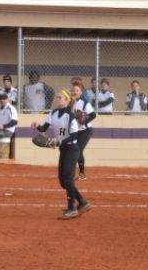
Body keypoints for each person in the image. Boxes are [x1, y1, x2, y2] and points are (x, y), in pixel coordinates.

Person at [31, 89, 91, 219]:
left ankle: (72, 208)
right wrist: (37, 126)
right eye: (57, 97)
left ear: (67, 100)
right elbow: (44, 128)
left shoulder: (71, 115)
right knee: (63, 182)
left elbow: (74, 136)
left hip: (72, 149)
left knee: (68, 179)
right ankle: (83, 202)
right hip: (63, 149)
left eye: (60, 97)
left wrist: (58, 141)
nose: (57, 99)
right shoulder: (53, 113)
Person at [71, 81, 96, 181]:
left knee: (78, 149)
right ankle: (72, 173)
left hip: (85, 130)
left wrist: (84, 121)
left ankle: (82, 174)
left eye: (77, 90)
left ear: (81, 92)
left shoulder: (84, 103)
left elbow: (93, 115)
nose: (75, 92)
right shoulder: (69, 103)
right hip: (75, 131)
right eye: (73, 90)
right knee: (73, 150)